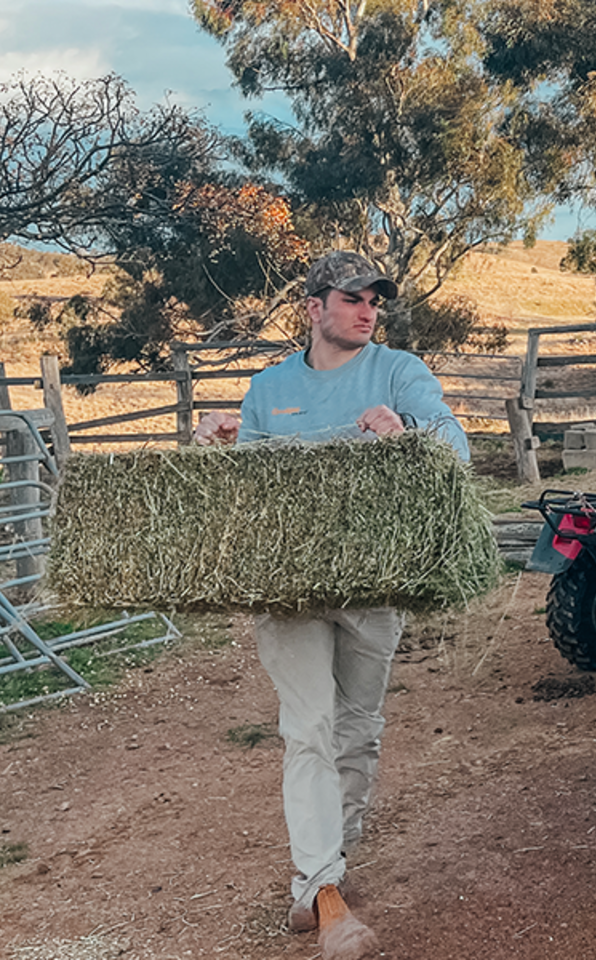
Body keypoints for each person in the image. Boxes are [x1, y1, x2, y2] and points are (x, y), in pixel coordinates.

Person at [194, 250, 469, 958]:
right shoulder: (270, 389)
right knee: (308, 726)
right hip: (288, 587)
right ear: (315, 307)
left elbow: (457, 449)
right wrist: (219, 449)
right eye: (352, 298)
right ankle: (323, 891)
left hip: (376, 583)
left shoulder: (399, 373)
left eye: (375, 299)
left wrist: (410, 435)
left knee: (357, 727)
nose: (368, 309)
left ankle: (327, 867)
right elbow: (248, 496)